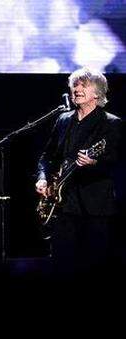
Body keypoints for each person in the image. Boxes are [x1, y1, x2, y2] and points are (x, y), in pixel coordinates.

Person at [35, 67, 121, 273]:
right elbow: (47, 156)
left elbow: (116, 162)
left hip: (94, 207)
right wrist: (43, 178)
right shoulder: (63, 119)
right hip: (63, 206)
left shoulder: (111, 123)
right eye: (75, 85)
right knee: (61, 264)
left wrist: (94, 163)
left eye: (84, 85)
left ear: (97, 93)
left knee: (93, 266)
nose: (77, 88)